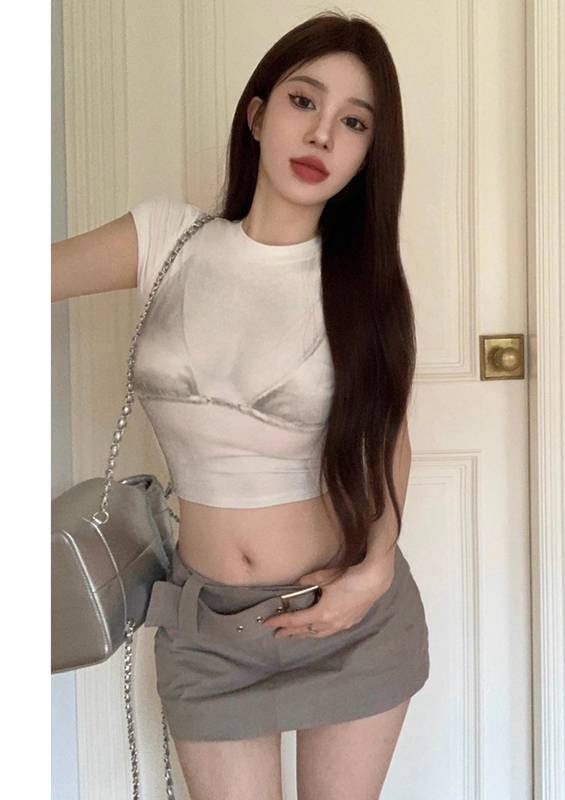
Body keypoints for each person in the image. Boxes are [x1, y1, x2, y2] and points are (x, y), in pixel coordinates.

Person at [51, 11, 429, 800]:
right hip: (207, 630)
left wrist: (375, 565)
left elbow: (388, 435)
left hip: (347, 616)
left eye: (353, 122)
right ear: (257, 115)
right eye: (304, 101)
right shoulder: (167, 238)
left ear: (369, 153)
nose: (322, 134)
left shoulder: (365, 286)